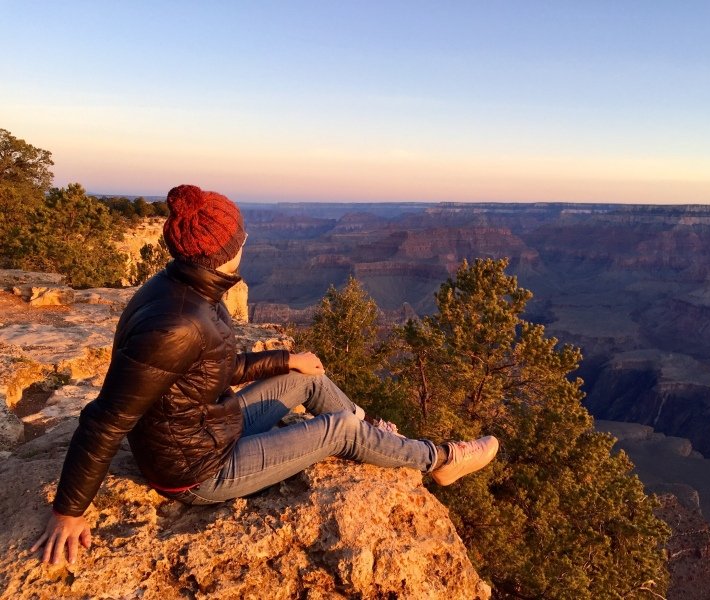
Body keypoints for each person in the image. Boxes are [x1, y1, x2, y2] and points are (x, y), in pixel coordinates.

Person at [31, 184, 499, 565]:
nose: (248, 239)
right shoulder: (175, 323)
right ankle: (438, 460)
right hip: (198, 471)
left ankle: (375, 438)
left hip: (211, 427)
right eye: (242, 235)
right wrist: (68, 510)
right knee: (339, 429)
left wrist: (285, 361)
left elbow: (206, 372)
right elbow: (105, 420)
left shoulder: (184, 286)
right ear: (230, 248)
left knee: (310, 377)